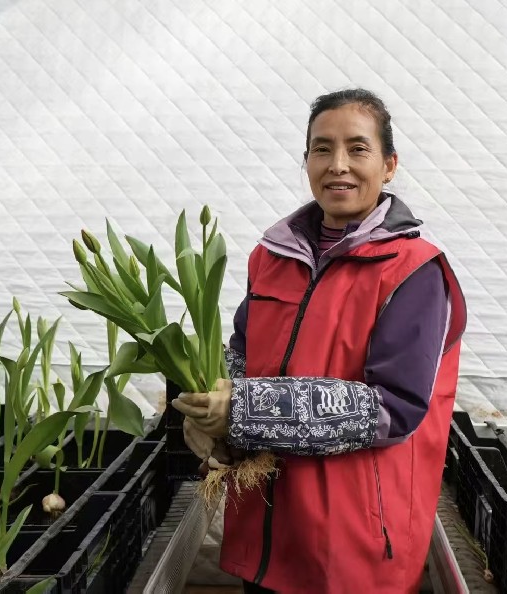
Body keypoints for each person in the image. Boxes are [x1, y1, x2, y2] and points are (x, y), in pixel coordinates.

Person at [171, 88, 467, 594]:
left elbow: (392, 409)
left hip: (350, 548)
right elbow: (243, 355)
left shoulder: (413, 272)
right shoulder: (272, 257)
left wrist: (242, 409)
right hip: (267, 534)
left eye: (358, 148)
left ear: (389, 165)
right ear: (306, 160)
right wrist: (207, 417)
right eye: (322, 148)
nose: (338, 165)